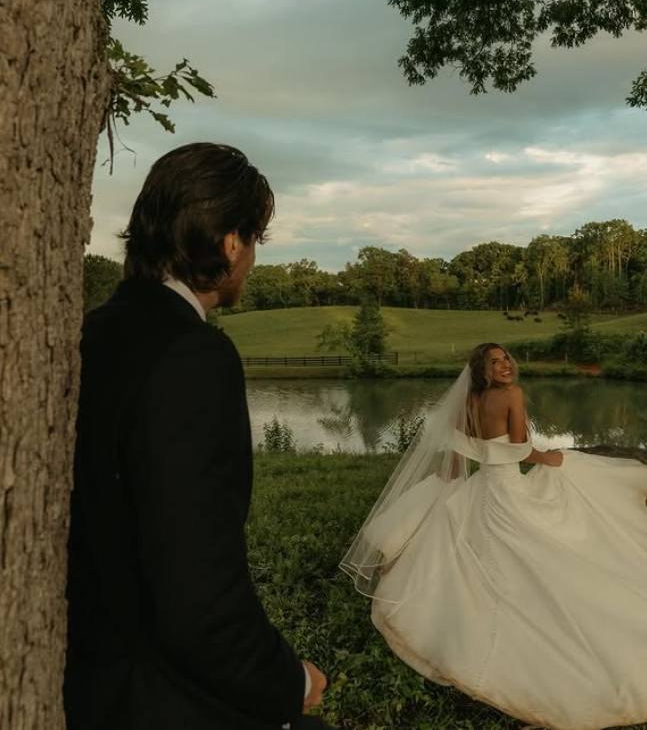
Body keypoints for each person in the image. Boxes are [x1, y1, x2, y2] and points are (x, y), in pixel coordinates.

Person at [65, 143, 338, 730]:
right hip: (154, 696)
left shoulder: (89, 333)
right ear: (231, 243)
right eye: (255, 239)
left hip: (85, 676)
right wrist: (288, 681)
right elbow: (196, 595)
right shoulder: (194, 356)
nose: (253, 258)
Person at [341, 342, 647, 730]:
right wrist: (547, 457)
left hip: (484, 488)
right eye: (494, 362)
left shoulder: (468, 400)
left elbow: (458, 446)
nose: (504, 366)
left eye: (505, 359)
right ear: (482, 369)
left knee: (488, 543)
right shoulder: (511, 395)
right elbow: (519, 449)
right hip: (508, 490)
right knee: (567, 483)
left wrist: (455, 476)